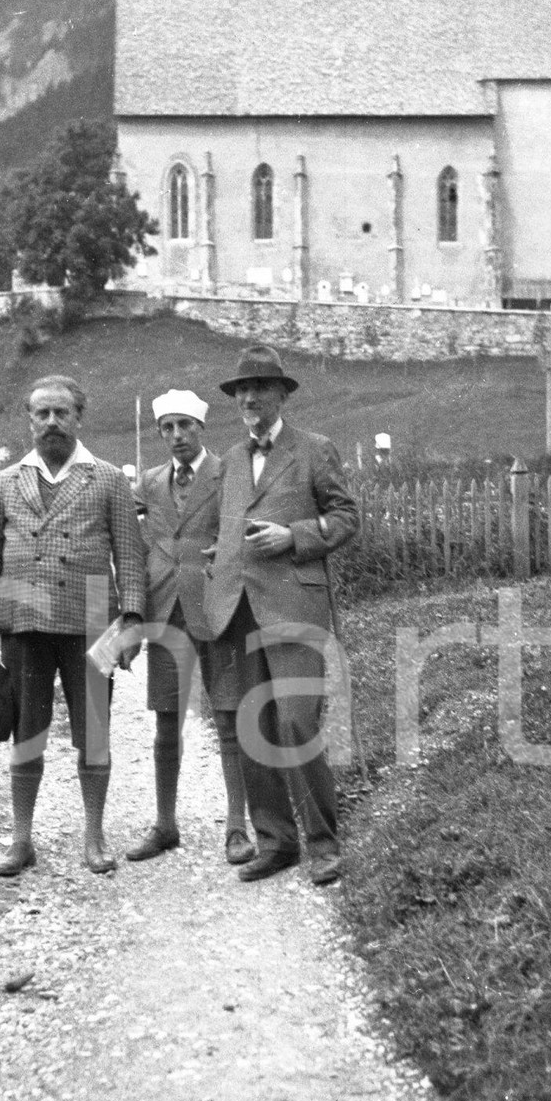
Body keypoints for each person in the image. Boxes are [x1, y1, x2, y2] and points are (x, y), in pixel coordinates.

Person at [0, 375, 146, 878]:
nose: (51, 422)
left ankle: (94, 835)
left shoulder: (107, 478)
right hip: (23, 622)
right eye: (42, 414)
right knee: (27, 734)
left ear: (78, 418)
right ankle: (21, 839)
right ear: (29, 420)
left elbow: (130, 558)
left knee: (94, 733)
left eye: (61, 413)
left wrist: (132, 621)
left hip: (94, 620)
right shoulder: (8, 481)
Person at [206, 344, 359, 885]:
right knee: (253, 726)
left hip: (295, 606)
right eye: (241, 390)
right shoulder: (230, 460)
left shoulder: (314, 449)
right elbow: (230, 525)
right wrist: (221, 556)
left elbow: (346, 516)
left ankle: (324, 843)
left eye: (260, 388)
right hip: (239, 608)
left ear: (281, 394)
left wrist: (293, 536)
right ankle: (276, 842)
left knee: (295, 722)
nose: (249, 398)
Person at [127, 390, 254, 866]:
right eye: (168, 427)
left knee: (228, 717)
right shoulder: (150, 481)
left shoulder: (229, 473)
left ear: (201, 427)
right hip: (166, 610)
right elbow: (126, 526)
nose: (177, 435)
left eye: (185, 425)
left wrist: (227, 554)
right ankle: (165, 824)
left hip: (217, 608)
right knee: (166, 720)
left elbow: (245, 528)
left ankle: (237, 827)